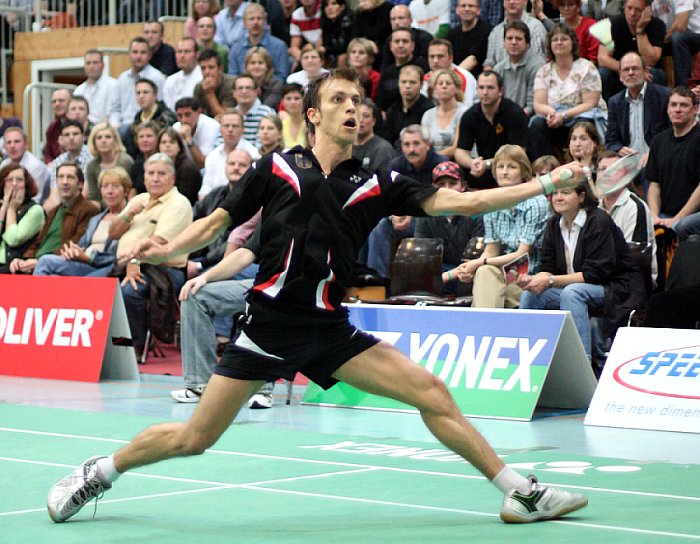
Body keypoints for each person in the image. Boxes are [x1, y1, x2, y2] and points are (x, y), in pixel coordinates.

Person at [47, 67, 588, 526]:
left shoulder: (379, 181)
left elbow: (462, 204)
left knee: (432, 391)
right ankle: (101, 472)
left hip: (328, 329)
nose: (352, 108)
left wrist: (543, 184)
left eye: (358, 101)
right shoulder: (276, 167)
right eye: (338, 100)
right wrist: (167, 252)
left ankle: (520, 492)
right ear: (312, 114)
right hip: (267, 326)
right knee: (194, 438)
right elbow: (216, 222)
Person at [518, 178, 646, 362]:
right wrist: (532, 280)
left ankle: (580, 363)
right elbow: (547, 267)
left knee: (572, 293)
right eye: (555, 193)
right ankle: (530, 360)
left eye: (565, 192)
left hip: (614, 288)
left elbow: (594, 274)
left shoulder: (598, 221)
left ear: (581, 196)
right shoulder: (554, 224)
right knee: (530, 295)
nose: (558, 197)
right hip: (576, 287)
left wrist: (550, 281)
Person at [108, 153, 193, 358]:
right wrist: (129, 214)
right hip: (124, 263)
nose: (155, 178)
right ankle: (107, 346)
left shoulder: (179, 203)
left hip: (163, 269)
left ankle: (130, 348)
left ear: (172, 179)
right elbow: (113, 233)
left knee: (130, 290)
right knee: (92, 285)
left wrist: (135, 260)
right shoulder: (139, 199)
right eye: (151, 173)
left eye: (161, 174)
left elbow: (159, 242)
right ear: (144, 177)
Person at [456, 144, 549, 308]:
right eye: (500, 166)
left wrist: (477, 263)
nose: (504, 172)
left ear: (524, 172)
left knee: (484, 273)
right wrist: (473, 267)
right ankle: (487, 328)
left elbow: (522, 254)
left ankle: (482, 328)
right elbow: (491, 250)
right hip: (506, 275)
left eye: (512, 167)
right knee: (485, 272)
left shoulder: (536, 202)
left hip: (530, 277)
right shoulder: (492, 204)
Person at [364, 124, 448, 278]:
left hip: (433, 220)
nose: (411, 149)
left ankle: (416, 282)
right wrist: (392, 216)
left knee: (423, 224)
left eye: (416, 143)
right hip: (402, 219)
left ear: (427, 145)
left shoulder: (441, 163)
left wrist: (412, 215)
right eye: (406, 144)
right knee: (379, 225)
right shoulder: (396, 165)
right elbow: (385, 199)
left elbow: (444, 200)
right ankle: (378, 280)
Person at [33, 168, 131, 277]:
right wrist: (72, 252)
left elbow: (120, 256)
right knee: (52, 274)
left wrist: (90, 258)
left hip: (103, 267)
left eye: (115, 186)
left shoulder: (129, 219)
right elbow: (81, 245)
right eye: (105, 186)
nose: (109, 191)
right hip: (83, 263)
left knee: (46, 261)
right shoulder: (96, 219)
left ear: (126, 191)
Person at [529, 24, 607, 159]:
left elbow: (590, 103)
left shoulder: (587, 67)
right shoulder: (544, 71)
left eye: (564, 39)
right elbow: (538, 104)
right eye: (555, 39)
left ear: (573, 43)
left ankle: (585, 166)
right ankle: (545, 169)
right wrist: (552, 113)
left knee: (583, 123)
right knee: (537, 123)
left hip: (580, 115)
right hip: (554, 118)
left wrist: (563, 115)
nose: (559, 42)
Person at [7, 162, 97, 275]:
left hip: (61, 264)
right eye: (61, 177)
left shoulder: (88, 210)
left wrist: (39, 261)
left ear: (80, 184)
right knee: (12, 267)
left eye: (70, 177)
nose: (64, 182)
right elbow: (37, 243)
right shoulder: (53, 211)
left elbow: (77, 243)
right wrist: (23, 260)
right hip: (39, 263)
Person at [415, 161, 485, 293]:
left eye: (452, 184)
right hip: (440, 272)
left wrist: (447, 276)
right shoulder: (425, 215)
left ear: (463, 186)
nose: (447, 189)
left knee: (478, 274)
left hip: (470, 271)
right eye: (441, 184)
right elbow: (422, 258)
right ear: (433, 188)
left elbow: (478, 256)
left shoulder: (476, 213)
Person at [454, 70, 530, 189]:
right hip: (483, 168)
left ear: (500, 91)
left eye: (490, 88)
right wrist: (472, 163)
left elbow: (519, 152)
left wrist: (488, 164)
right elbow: (460, 152)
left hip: (511, 167)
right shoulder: (470, 115)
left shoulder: (514, 113)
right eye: (481, 88)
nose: (485, 92)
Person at [646, 87, 700, 241]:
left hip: (693, 215)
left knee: (682, 227)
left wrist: (677, 218)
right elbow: (654, 184)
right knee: (646, 225)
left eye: (683, 105)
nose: (677, 110)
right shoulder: (658, 141)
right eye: (673, 105)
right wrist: (654, 216)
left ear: (695, 109)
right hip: (666, 214)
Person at [596, 150, 657, 283]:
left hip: (630, 282)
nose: (605, 174)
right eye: (601, 170)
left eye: (612, 170)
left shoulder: (635, 207)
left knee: (573, 292)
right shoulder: (595, 209)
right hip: (600, 276)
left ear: (624, 175)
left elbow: (634, 257)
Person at [604, 51, 670, 168]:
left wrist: (654, 153)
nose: (630, 73)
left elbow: (671, 133)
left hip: (658, 161)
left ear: (645, 71)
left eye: (635, 69)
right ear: (620, 75)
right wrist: (619, 149)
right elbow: (611, 140)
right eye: (626, 69)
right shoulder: (615, 102)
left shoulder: (664, 96)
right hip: (627, 164)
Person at [597, 0, 666, 101]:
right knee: (603, 73)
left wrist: (640, 29)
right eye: (629, 8)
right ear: (624, 7)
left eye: (638, 10)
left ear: (647, 11)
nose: (632, 13)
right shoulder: (613, 24)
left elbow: (651, 61)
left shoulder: (657, 25)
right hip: (619, 72)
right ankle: (608, 112)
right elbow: (603, 58)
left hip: (647, 72)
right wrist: (626, 70)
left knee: (656, 75)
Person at [109, 37, 167, 140]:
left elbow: (161, 106)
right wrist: (114, 124)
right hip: (122, 126)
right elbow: (115, 108)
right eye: (135, 52)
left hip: (147, 126)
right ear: (129, 54)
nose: (139, 56)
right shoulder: (122, 78)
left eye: (143, 52)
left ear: (150, 55)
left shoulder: (157, 78)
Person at [200, 110, 260, 198]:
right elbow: (205, 189)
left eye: (235, 126)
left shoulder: (254, 154)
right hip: (215, 203)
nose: (230, 130)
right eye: (226, 126)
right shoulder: (213, 155)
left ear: (243, 130)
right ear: (220, 129)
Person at [493, 21, 545, 117]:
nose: (513, 42)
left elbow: (532, 105)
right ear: (504, 43)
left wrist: (515, 120)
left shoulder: (537, 66)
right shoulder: (498, 69)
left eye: (518, 39)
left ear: (528, 44)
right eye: (509, 38)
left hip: (526, 119)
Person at [0, 164, 45, 273]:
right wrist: (4, 206)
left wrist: (11, 209)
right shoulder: (2, 207)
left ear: (26, 184)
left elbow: (14, 239)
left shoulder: (35, 210)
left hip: (15, 266)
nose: (14, 184)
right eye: (10, 180)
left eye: (19, 180)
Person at [228, 3, 290, 81]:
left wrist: (261, 85)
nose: (255, 22)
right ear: (244, 23)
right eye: (251, 19)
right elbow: (233, 77)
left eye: (259, 18)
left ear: (265, 21)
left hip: (271, 90)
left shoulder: (279, 46)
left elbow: (282, 76)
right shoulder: (235, 49)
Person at [45, 120, 94, 213]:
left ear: (83, 137)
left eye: (75, 134)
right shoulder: (58, 162)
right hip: (64, 205)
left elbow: (84, 194)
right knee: (47, 207)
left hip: (84, 207)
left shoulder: (91, 160)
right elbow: (54, 196)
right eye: (67, 135)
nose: (71, 138)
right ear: (61, 139)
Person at [483, 0, 547, 70]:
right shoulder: (496, 32)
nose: (512, 2)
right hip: (500, 78)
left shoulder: (535, 28)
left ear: (525, 1)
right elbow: (489, 63)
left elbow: (539, 62)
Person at [376, 28, 429, 114]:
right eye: (397, 41)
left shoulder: (424, 67)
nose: (400, 45)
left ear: (413, 46)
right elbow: (382, 107)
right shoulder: (386, 74)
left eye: (405, 41)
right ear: (391, 46)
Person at [420, 69, 469, 158]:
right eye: (440, 83)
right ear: (434, 90)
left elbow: (457, 148)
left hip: (457, 162)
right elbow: (425, 145)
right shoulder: (428, 115)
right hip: (433, 163)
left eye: (448, 83)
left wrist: (431, 158)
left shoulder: (464, 112)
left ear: (457, 89)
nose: (444, 86)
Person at [382, 64, 434, 147]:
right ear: (398, 83)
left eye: (412, 82)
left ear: (421, 84)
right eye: (403, 82)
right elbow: (388, 141)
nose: (407, 86)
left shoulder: (429, 110)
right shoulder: (392, 110)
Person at [531, 0, 599, 62]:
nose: (566, 8)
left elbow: (593, 58)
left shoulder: (591, 26)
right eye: (562, 5)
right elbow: (551, 57)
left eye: (571, 5)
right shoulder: (557, 28)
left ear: (578, 6)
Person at [125, 78, 178, 157]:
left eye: (145, 92)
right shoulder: (137, 119)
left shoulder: (167, 116)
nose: (141, 96)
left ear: (155, 95)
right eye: (138, 93)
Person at [84, 122, 134, 203]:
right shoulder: (91, 166)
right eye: (99, 138)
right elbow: (94, 197)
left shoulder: (125, 161)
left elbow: (130, 192)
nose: (103, 141)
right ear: (93, 142)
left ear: (115, 140)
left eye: (108, 137)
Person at [0, 127, 50, 203]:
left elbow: (35, 199)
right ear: (4, 147)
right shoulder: (4, 164)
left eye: (17, 141)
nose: (12, 146)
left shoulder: (35, 166)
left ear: (26, 145)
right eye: (9, 142)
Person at [421, 39, 477, 106]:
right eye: (432, 56)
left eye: (440, 56)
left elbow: (467, 106)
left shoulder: (465, 77)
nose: (435, 61)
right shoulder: (423, 80)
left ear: (450, 58)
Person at [157, 127, 203, 204]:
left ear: (179, 147)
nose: (167, 145)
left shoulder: (188, 168)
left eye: (172, 142)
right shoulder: (155, 165)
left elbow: (184, 198)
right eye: (164, 142)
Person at [173, 97, 222, 169]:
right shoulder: (176, 127)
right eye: (180, 116)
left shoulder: (211, 126)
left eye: (188, 114)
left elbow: (203, 163)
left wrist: (189, 140)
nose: (184, 120)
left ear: (199, 112)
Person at [447, 0, 492, 76]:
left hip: (476, 80)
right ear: (457, 10)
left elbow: (473, 60)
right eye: (463, 6)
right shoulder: (452, 34)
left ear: (478, 10)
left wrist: (452, 77)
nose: (467, 9)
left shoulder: (486, 30)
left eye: (471, 6)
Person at [380, 5, 432, 70]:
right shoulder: (389, 40)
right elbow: (385, 66)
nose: (396, 22)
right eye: (393, 19)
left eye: (400, 18)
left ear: (410, 20)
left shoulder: (424, 38)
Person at [73, 50, 118, 126]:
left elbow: (114, 114)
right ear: (84, 66)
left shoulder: (114, 85)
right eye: (88, 63)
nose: (91, 66)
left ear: (103, 65)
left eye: (95, 63)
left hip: (106, 130)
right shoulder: (78, 91)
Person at [352, 98, 396, 171]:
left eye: (366, 116)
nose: (361, 120)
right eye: (357, 115)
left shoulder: (383, 149)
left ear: (373, 121)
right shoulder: (344, 146)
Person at [193, 48, 237, 119]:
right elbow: (196, 115)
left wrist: (210, 93)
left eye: (211, 67)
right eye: (203, 68)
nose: (207, 72)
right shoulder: (199, 87)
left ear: (220, 69)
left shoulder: (232, 84)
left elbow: (226, 117)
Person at [233, 74, 276, 146]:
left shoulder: (267, 113)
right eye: (240, 88)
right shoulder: (230, 115)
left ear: (256, 91)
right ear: (234, 93)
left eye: (248, 88)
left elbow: (265, 146)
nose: (244, 91)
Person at [163, 37, 204, 112]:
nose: (182, 56)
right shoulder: (170, 80)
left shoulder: (202, 77)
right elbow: (168, 108)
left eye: (187, 52)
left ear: (197, 54)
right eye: (179, 51)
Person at [320, 0, 354, 69]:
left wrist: (325, 49)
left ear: (342, 7)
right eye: (326, 5)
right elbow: (326, 44)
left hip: (348, 56)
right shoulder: (326, 23)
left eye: (334, 4)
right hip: (332, 57)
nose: (329, 8)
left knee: (342, 57)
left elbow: (346, 47)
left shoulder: (348, 21)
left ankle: (339, 78)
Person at [289, 0, 323, 69]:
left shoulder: (324, 10)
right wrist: (305, 60)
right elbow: (294, 47)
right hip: (309, 52)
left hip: (325, 50)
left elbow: (321, 43)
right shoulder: (296, 15)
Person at [347, 38, 381, 102]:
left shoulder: (376, 77)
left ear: (370, 57)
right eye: (353, 52)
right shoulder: (343, 76)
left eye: (361, 53)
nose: (356, 55)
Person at [43, 88, 70, 164]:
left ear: (71, 102)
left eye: (61, 100)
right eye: (54, 101)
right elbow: (47, 153)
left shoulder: (80, 125)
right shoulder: (52, 128)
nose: (57, 104)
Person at [278, 84, 308, 149]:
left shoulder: (310, 124)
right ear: (282, 102)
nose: (293, 102)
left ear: (304, 100)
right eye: (288, 98)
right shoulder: (281, 124)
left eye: (297, 98)